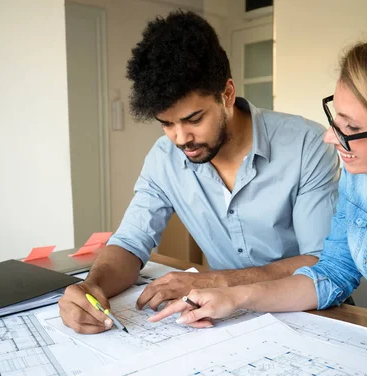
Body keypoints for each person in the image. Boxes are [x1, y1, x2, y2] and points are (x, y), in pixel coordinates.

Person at [150, 31, 367, 339]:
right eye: (334, 118)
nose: (329, 137)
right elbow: (334, 271)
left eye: (350, 128)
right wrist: (236, 297)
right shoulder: (361, 167)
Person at [58, 10, 340, 334]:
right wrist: (93, 286)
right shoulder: (163, 159)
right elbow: (130, 242)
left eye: (193, 119)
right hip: (224, 322)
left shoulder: (307, 146)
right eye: (166, 123)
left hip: (310, 316)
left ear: (227, 94)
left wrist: (215, 281)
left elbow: (321, 262)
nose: (181, 139)